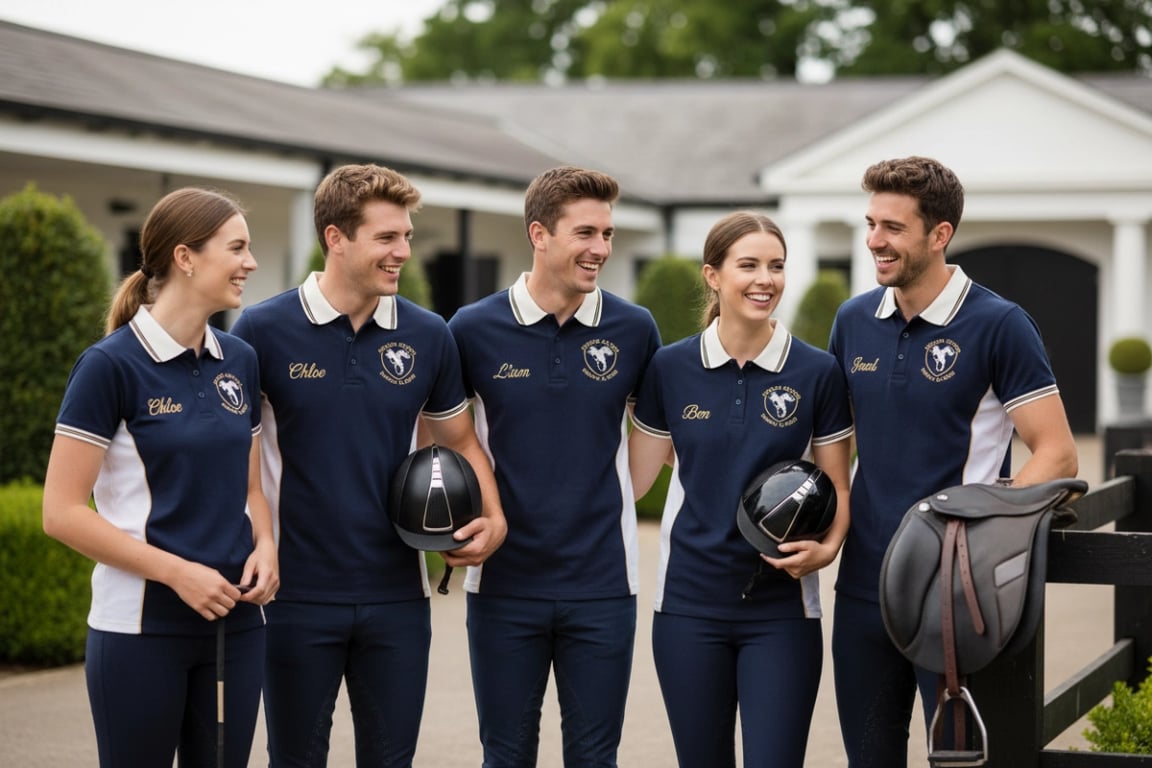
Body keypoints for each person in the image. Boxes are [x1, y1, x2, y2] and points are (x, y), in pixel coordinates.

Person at [230, 163, 506, 768]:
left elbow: (459, 440)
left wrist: (493, 516)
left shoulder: (428, 334)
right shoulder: (262, 330)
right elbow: (241, 463)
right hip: (294, 596)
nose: (402, 252)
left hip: (397, 597)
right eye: (386, 238)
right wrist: (261, 542)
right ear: (336, 238)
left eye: (406, 236)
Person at [828, 156, 1079, 767]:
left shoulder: (1000, 324)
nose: (874, 241)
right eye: (870, 223)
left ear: (940, 235)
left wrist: (988, 537)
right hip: (863, 584)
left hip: (954, 595)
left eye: (892, 227)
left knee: (961, 761)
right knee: (868, 757)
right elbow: (835, 441)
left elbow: (1058, 452)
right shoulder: (853, 319)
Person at [42, 187, 279, 768]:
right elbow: (62, 512)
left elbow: (249, 488)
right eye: (238, 248)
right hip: (139, 630)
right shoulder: (109, 366)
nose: (250, 263)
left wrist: (268, 546)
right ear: (185, 257)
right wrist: (179, 574)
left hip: (237, 626)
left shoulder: (240, 361)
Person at [447, 166, 661, 767]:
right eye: (585, 232)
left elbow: (647, 450)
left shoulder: (633, 328)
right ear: (539, 234)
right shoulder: (471, 329)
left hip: (603, 586)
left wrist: (605, 495)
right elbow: (443, 439)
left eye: (609, 234)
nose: (600, 249)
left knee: (596, 759)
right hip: (504, 584)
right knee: (506, 755)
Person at [628, 211, 853, 767]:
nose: (765, 279)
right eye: (748, 265)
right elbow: (629, 482)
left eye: (776, 266)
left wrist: (828, 549)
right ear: (713, 275)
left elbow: (839, 489)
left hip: (781, 611)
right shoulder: (669, 367)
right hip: (687, 608)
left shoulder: (817, 371)